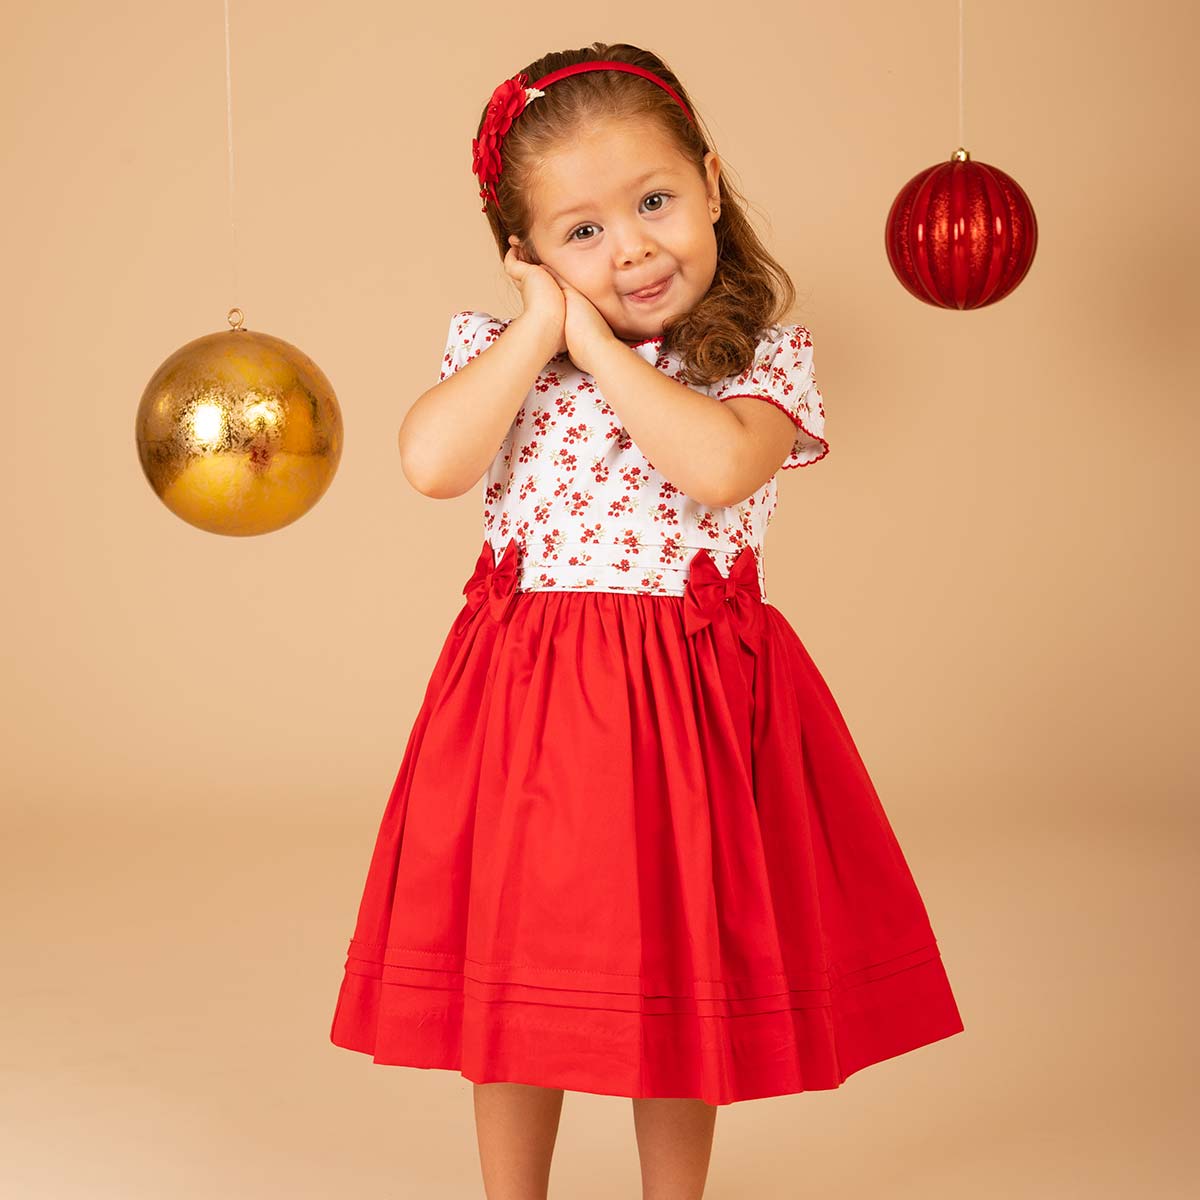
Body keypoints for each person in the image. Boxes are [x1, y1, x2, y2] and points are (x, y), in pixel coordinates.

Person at [330, 43, 965, 1200]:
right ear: (527, 255)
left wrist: (590, 345)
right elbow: (431, 463)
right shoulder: (503, 357)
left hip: (685, 709)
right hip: (525, 711)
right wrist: (540, 331)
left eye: (655, 202)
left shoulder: (760, 363)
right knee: (517, 974)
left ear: (711, 185)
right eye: (581, 232)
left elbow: (717, 468)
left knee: (678, 976)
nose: (630, 248)